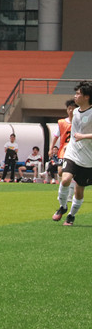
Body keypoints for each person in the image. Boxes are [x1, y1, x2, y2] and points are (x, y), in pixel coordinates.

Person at [52, 81, 92, 226]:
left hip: (88, 158)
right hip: (72, 153)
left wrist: (83, 136)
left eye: (78, 94)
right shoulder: (75, 112)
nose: (75, 96)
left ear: (87, 97)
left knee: (79, 190)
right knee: (65, 179)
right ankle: (62, 207)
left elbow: (81, 133)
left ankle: (71, 216)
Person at [51, 98, 77, 177]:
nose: (71, 111)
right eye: (69, 109)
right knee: (60, 171)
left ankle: (70, 182)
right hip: (63, 150)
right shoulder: (62, 123)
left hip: (75, 149)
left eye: (73, 109)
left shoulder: (79, 122)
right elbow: (55, 136)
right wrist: (51, 148)